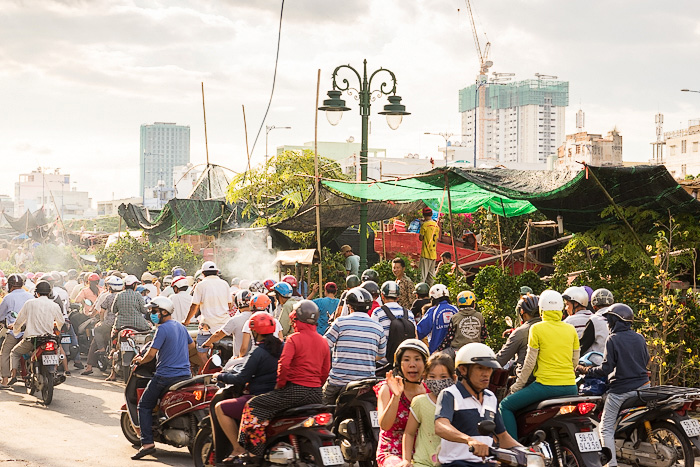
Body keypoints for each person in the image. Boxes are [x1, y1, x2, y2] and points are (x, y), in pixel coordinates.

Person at [238, 300, 330, 458]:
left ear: (295, 318)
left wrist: (280, 385)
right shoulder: (323, 341)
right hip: (316, 393)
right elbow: (325, 370)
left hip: (294, 391)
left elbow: (284, 365)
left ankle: (254, 453)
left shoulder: (293, 339)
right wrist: (316, 385)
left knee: (252, 405)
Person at [576, 303, 650, 467]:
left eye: (609, 321)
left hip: (621, 392)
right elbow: (646, 361)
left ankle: (611, 464)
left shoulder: (613, 339)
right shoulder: (639, 337)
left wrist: (586, 370)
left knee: (605, 428)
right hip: (644, 387)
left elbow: (606, 369)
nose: (608, 324)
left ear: (615, 322)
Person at [499, 290, 579, 438]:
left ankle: (515, 450)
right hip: (571, 387)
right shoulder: (570, 329)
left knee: (505, 406)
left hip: (546, 386)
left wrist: (517, 386)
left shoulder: (537, 328)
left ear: (542, 309)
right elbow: (575, 360)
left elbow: (529, 363)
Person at [434, 343, 522, 467]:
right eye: (480, 368)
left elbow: (502, 436)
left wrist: (526, 452)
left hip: (487, 463)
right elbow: (440, 425)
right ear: (463, 370)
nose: (486, 374)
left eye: (489, 368)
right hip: (457, 464)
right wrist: (469, 440)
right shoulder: (450, 394)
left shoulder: (491, 397)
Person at [212, 312, 283, 462]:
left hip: (260, 398)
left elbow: (241, 378)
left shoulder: (258, 352)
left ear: (255, 332)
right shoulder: (283, 346)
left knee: (220, 407)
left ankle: (238, 448)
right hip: (281, 396)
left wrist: (220, 376)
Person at [131, 296, 195, 460]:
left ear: (164, 312)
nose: (151, 314)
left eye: (154, 311)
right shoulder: (180, 327)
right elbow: (192, 346)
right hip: (185, 375)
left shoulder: (162, 329)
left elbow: (151, 354)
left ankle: (147, 444)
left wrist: (139, 360)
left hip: (165, 377)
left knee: (144, 405)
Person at [323, 287, 386, 404]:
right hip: (366, 383)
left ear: (349, 306)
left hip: (338, 383)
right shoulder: (378, 327)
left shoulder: (340, 323)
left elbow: (324, 346)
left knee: (323, 410)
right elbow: (381, 355)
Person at [375, 339, 428, 467]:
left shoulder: (429, 391)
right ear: (399, 364)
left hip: (423, 452)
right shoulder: (387, 389)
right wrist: (396, 396)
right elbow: (385, 425)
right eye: (406, 359)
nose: (412, 364)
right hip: (392, 452)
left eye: (417, 359)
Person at [401, 352, 457, 467]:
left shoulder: (459, 404)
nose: (437, 381)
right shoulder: (420, 402)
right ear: (425, 378)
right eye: (432, 377)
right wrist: (406, 460)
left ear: (453, 378)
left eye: (443, 377)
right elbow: (409, 433)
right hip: (423, 463)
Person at [8, 281, 65, 385]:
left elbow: (19, 320)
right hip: (49, 339)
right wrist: (55, 324)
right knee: (56, 353)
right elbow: (61, 321)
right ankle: (55, 373)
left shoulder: (30, 303)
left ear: (36, 293)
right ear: (49, 293)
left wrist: (15, 329)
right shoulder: (54, 305)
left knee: (14, 353)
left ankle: (13, 376)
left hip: (32, 339)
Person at [182, 261, 232, 366]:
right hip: (225, 324)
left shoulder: (200, 285)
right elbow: (229, 305)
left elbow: (194, 306)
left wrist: (186, 321)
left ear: (203, 273)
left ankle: (208, 371)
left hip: (208, 326)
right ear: (217, 272)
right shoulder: (225, 284)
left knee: (200, 351)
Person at [82, 275, 123, 376]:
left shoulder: (105, 295)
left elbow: (98, 310)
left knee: (95, 339)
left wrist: (100, 320)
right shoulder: (125, 296)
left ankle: (89, 366)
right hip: (123, 324)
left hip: (108, 323)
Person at [0, 274, 33, 388]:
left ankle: (5, 380)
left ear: (10, 285)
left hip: (14, 331)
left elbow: (1, 315)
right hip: (30, 331)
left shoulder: (8, 297)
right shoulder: (30, 296)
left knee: (5, 353)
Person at [495, 294, 541, 374]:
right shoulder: (552, 328)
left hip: (526, 381)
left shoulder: (520, 332)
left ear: (522, 312)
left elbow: (500, 360)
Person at [203, 289, 255, 358]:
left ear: (238, 303)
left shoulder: (235, 320)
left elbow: (218, 334)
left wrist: (206, 343)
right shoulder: (261, 316)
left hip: (240, 359)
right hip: (259, 359)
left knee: (226, 369)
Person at [372, 281, 417, 360]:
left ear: (382, 296)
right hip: (403, 362)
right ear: (398, 297)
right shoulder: (409, 313)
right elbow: (416, 337)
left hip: (383, 361)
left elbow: (373, 336)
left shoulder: (378, 312)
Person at [438, 290, 487, 358]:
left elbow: (449, 337)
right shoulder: (480, 316)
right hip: (475, 348)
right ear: (473, 304)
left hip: (458, 350)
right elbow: (484, 336)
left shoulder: (455, 317)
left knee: (439, 359)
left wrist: (439, 349)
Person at [563, 286, 608, 355]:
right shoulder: (596, 318)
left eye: (567, 304)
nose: (566, 308)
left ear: (576, 304)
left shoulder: (568, 322)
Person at [416, 284, 457, 354]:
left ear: (432, 298)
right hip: (454, 352)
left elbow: (420, 331)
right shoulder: (455, 309)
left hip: (436, 352)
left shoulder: (433, 311)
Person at [418, 207, 439, 285]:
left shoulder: (424, 225)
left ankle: (420, 292)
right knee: (431, 277)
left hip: (425, 254)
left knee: (422, 276)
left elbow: (421, 238)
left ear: (423, 215)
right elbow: (437, 239)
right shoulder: (436, 226)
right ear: (431, 214)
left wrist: (421, 226)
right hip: (433, 254)